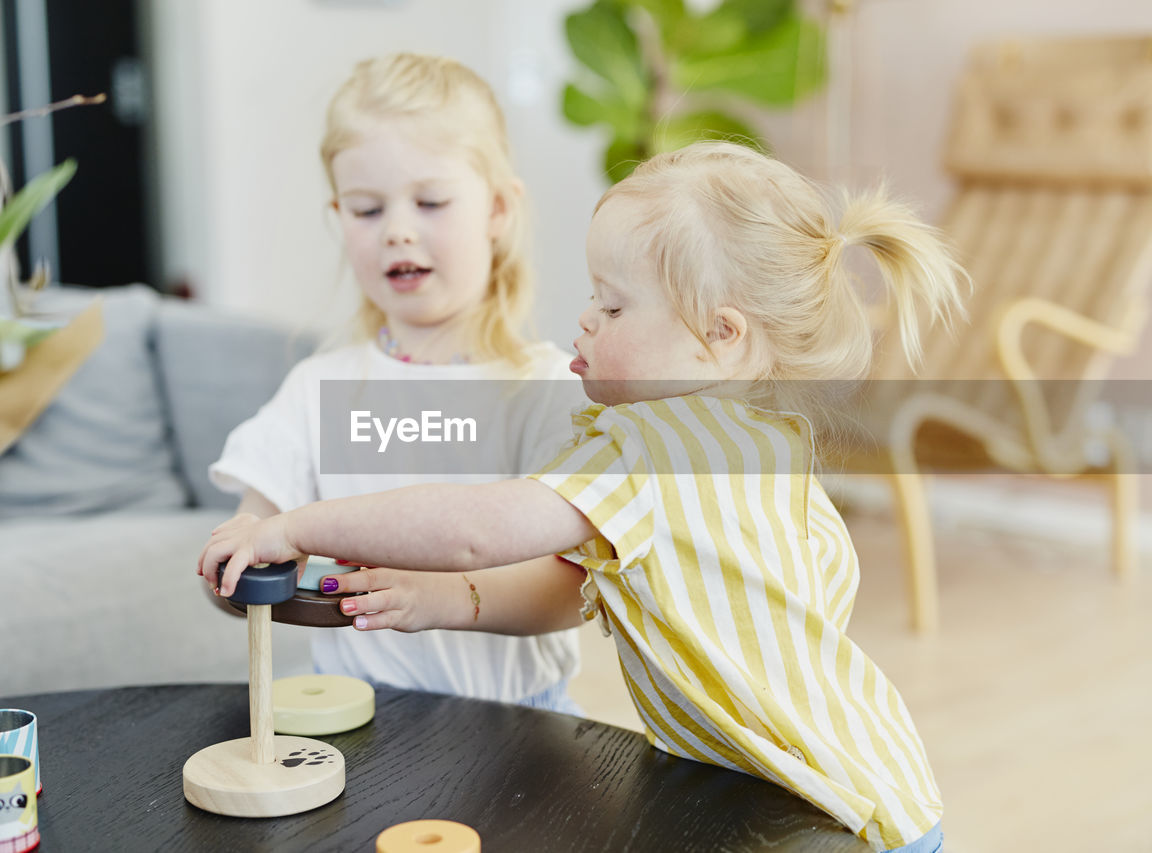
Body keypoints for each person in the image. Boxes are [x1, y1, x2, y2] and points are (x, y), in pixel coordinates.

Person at [199, 141, 967, 852]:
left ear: (719, 335)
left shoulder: (648, 452)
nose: (585, 317)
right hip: (881, 784)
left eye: (614, 304)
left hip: (819, 809)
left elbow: (475, 530)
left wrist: (296, 526)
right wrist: (437, 597)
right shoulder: (761, 443)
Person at [207, 53, 586, 713]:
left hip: (525, 725)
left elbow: (575, 589)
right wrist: (235, 565)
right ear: (338, 213)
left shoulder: (547, 389)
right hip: (363, 720)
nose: (398, 230)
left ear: (497, 207)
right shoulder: (316, 388)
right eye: (366, 209)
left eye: (431, 201)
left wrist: (444, 599)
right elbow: (256, 527)